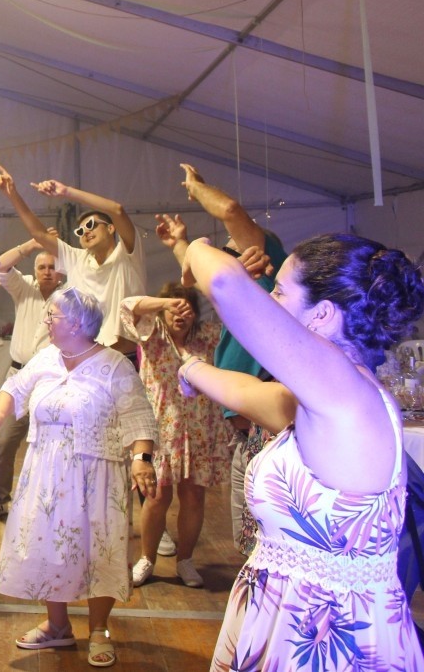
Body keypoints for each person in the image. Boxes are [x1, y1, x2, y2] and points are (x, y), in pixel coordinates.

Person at [179, 235, 424, 668]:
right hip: (292, 619)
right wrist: (193, 369)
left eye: (278, 291)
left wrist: (192, 247)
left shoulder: (343, 390)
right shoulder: (330, 399)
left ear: (323, 314)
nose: (269, 301)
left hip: (327, 638)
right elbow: (253, 393)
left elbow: (223, 284)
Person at [0, 288, 158, 668]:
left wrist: (141, 459)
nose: (46, 321)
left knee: (99, 549)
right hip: (45, 471)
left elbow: (139, 416)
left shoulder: (113, 365)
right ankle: (58, 626)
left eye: (52, 315)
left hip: (96, 475)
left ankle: (99, 630)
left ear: (76, 323)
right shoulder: (46, 358)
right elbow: (15, 387)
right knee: (47, 546)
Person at [159, 161, 289, 556]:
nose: (225, 263)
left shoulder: (268, 272)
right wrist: (179, 244)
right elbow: (199, 277)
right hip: (243, 434)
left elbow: (231, 211)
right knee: (247, 543)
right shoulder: (237, 294)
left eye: (232, 252)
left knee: (262, 542)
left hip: (265, 432)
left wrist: (195, 187)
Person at [120, 284, 230, 589]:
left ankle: (185, 561)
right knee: (156, 497)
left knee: (193, 496)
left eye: (187, 308)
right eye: (174, 309)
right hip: (160, 430)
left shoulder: (207, 337)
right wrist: (167, 301)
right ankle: (147, 559)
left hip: (199, 429)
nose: (181, 314)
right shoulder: (152, 336)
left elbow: (234, 319)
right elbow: (127, 306)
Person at [0, 163, 145, 361]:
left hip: (125, 355)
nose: (86, 232)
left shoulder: (127, 255)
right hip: (84, 357)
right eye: (80, 231)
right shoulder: (76, 258)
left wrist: (66, 192)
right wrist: (13, 195)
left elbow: (117, 210)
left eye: (91, 225)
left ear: (110, 229)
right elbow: (38, 233)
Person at [0, 236, 62, 522]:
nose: (46, 271)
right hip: (18, 377)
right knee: (5, 442)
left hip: (53, 381)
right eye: (41, 266)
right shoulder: (24, 288)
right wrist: (30, 245)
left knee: (50, 445)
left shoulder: (68, 297)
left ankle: (48, 503)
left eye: (51, 266)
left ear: (61, 271)